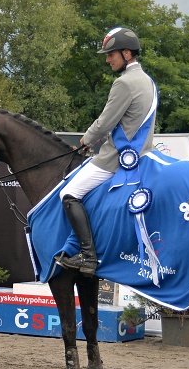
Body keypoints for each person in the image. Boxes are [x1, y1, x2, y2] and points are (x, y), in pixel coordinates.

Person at [55, 27, 157, 277]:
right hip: (144, 155)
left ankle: (88, 256)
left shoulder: (124, 83)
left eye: (111, 54)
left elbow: (105, 122)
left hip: (116, 159)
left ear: (126, 53)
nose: (107, 59)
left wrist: (86, 139)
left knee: (68, 193)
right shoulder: (148, 81)